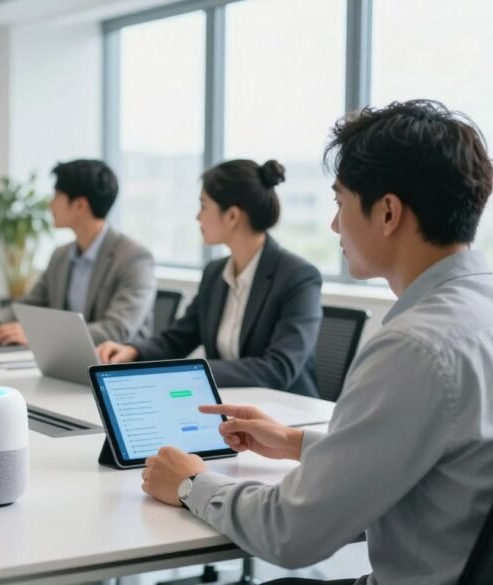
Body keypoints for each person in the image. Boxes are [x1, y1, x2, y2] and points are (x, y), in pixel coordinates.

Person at [141, 100, 493, 585]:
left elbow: (290, 532)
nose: (333, 226)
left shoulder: (415, 348)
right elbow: (440, 452)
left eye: (339, 203)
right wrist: (295, 442)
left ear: (388, 212)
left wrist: (189, 483)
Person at [96, 159, 323, 397]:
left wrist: (190, 372)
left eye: (203, 206)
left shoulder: (298, 277)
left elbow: (278, 368)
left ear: (233, 216)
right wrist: (133, 351)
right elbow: (179, 339)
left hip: (288, 413)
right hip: (229, 404)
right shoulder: (215, 273)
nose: (197, 217)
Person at [0, 159, 156, 346]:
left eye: (57, 196)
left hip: (112, 367)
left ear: (79, 205)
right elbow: (32, 303)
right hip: (65, 360)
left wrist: (40, 335)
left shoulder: (135, 258)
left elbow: (116, 329)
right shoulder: (61, 255)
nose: (49, 205)